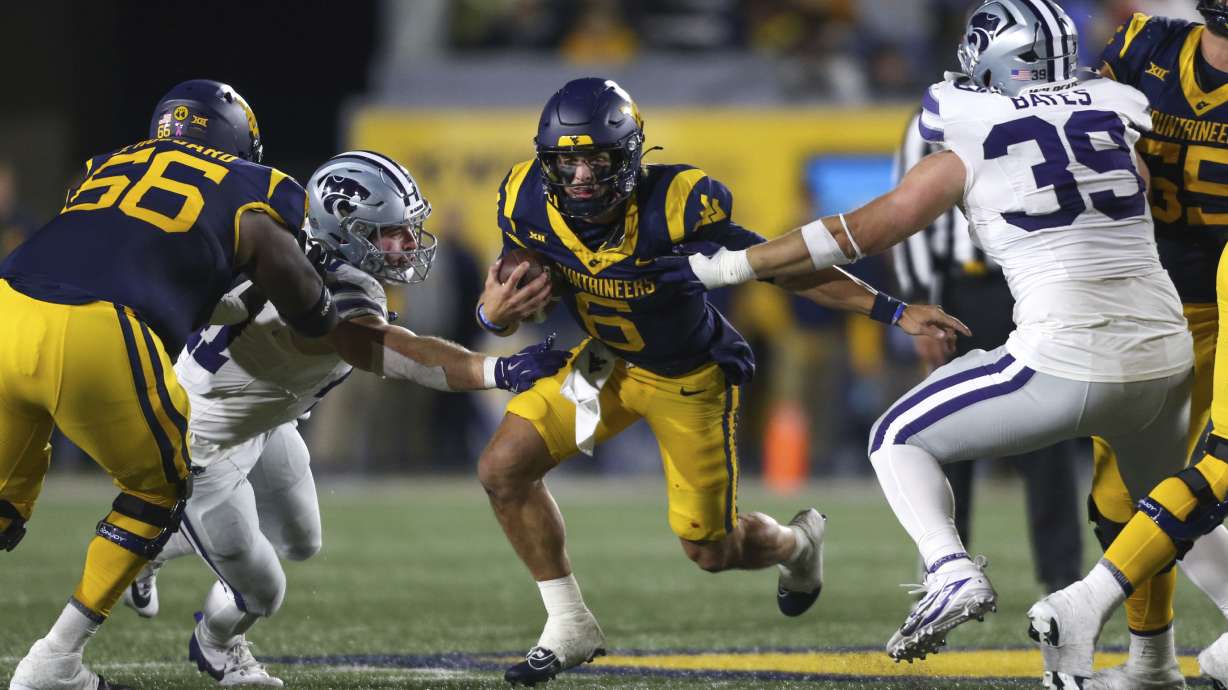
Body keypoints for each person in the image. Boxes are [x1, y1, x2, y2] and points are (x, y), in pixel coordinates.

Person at [666, 1, 1196, 685]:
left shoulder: (971, 136)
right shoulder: (1113, 120)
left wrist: (734, 265)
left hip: (1067, 358)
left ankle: (949, 571)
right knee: (1166, 515)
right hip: (1167, 354)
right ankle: (1155, 663)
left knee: (896, 436)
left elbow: (862, 231)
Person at [475, 76, 969, 686]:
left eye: (596, 160)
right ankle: (569, 621)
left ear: (627, 155)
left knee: (710, 549)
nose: (579, 177)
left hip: (689, 377)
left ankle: (797, 544)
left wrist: (892, 311)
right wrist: (491, 317)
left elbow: (785, 267)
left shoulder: (676, 202)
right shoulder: (525, 198)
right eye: (565, 161)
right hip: (603, 363)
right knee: (504, 467)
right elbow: (514, 295)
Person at [113, 150, 569, 687]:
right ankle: (216, 642)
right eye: (391, 233)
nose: (408, 244)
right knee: (262, 591)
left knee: (301, 540)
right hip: (202, 442)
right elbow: (389, 350)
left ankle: (154, 544)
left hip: (264, 418)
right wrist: (496, 369)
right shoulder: (316, 280)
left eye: (408, 228)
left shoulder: (295, 251)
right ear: (345, 231)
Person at [2, 79, 337, 690]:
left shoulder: (105, 165)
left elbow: (119, 241)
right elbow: (305, 304)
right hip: (94, 324)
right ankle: (55, 662)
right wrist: (321, 307)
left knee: (3, 505)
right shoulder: (255, 185)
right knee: (158, 492)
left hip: (9, 304)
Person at [1027, 2, 1228, 686]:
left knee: (1221, 465)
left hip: (1222, 298)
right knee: (1121, 494)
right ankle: (1150, 661)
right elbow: (1070, 115)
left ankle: (1092, 606)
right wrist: (1112, 147)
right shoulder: (1147, 45)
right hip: (1154, 300)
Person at [891, 110, 1084, 597]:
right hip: (965, 291)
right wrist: (921, 298)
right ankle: (946, 568)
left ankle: (1061, 574)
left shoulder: (1042, 107)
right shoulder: (933, 119)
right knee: (945, 429)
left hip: (1034, 284)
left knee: (1050, 427)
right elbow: (908, 216)